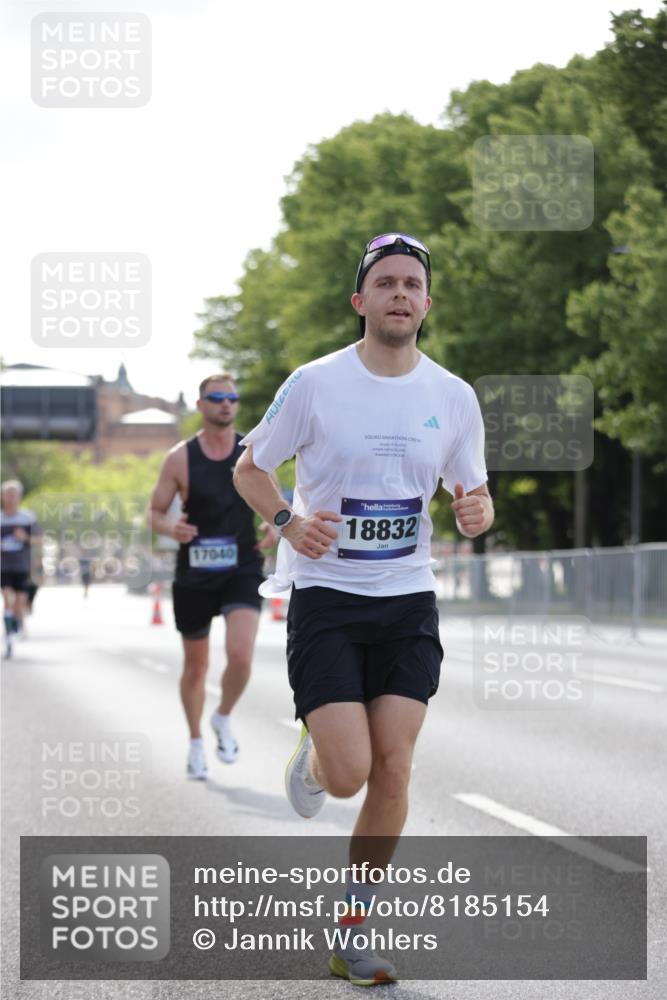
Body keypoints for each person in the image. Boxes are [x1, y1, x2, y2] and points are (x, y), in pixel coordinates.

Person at [233, 233, 494, 986]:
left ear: (427, 303)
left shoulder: (452, 395)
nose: (400, 294)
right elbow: (250, 469)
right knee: (347, 774)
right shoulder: (314, 383)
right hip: (328, 599)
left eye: (412, 283)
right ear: (360, 301)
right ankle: (314, 758)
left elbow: (469, 492)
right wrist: (286, 521)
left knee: (392, 768)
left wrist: (475, 512)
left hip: (407, 598)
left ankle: (352, 931)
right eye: (385, 283)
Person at [148, 374, 278, 780]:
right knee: (196, 667)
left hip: (242, 565)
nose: (226, 404)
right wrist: (172, 529)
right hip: (195, 573)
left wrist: (276, 525)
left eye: (231, 397)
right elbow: (154, 513)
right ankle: (195, 742)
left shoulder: (254, 452)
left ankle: (222, 716)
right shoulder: (179, 458)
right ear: (201, 405)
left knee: (240, 656)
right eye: (217, 397)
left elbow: (276, 501)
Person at [1, 480, 41, 656]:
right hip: (3, 567)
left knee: (19, 603)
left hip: (22, 567)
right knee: (8, 599)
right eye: (7, 494)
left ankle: (15, 626)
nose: (10, 498)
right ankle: (9, 635)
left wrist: (25, 537)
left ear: (19, 497)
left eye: (13, 494)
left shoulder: (27, 518)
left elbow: (39, 539)